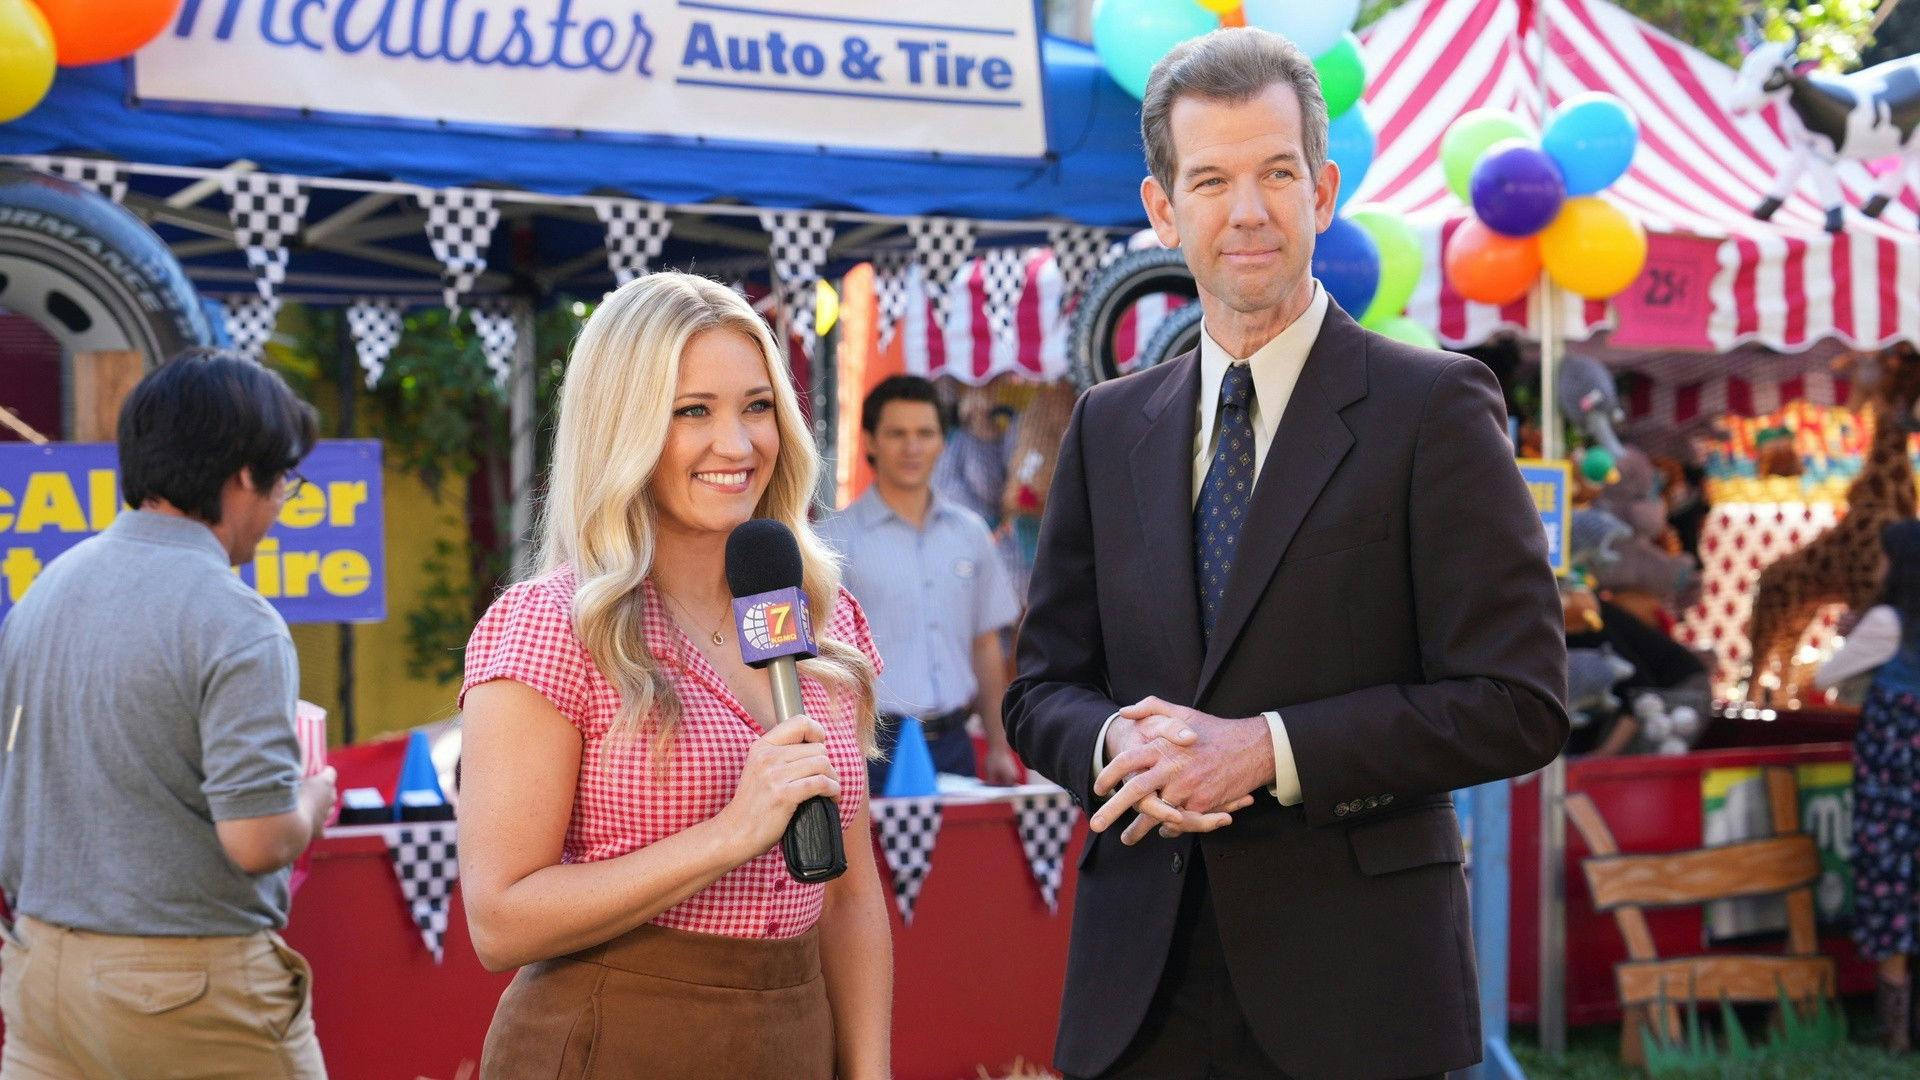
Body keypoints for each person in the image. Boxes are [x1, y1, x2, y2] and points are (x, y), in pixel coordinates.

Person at [1002, 28, 1569, 1080]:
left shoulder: (1434, 408)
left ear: (1325, 186)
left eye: (1275, 173)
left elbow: (1520, 698)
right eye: (1211, 180)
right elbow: (1042, 689)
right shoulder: (1107, 424)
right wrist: (1119, 738)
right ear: (1164, 209)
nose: (1248, 211)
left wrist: (1265, 749)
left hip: (1358, 1001)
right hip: (1141, 998)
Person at [457, 272, 892, 1080]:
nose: (738, 444)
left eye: (757, 406)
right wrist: (729, 833)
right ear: (622, 425)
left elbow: (850, 895)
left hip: (795, 1035)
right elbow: (499, 918)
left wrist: (869, 1072)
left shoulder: (824, 622)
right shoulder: (554, 626)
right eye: (693, 410)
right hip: (612, 1042)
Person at [0, 350, 337, 1079]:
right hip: (185, 992)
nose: (282, 504)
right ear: (245, 475)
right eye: (285, 480)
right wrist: (309, 801)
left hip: (38, 973)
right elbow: (255, 840)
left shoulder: (44, 592)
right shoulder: (235, 618)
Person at [820, 375, 1023, 792]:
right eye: (897, 433)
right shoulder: (832, 542)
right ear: (870, 442)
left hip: (954, 745)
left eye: (924, 433)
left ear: (941, 442)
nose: (912, 447)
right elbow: (819, 662)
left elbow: (985, 646)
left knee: (960, 859)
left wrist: (999, 746)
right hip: (868, 751)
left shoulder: (970, 534)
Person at [1814, 519, 1920, 1052]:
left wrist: (1851, 637)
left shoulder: (1887, 622)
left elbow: (1822, 679)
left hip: (1893, 779)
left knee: (1890, 886)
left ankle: (1894, 1030)